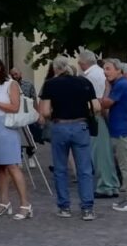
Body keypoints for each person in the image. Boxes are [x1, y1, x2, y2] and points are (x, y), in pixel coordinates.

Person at [38, 56, 98, 219]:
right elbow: (97, 107)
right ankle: (87, 208)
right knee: (84, 169)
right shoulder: (84, 82)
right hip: (81, 126)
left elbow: (44, 111)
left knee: (60, 168)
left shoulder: (50, 84)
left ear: (56, 68)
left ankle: (64, 207)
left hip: (60, 126)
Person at [0, 56, 32, 220]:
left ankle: (25, 204)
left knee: (12, 165)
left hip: (7, 127)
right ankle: (4, 202)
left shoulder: (12, 84)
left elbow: (14, 106)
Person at [103, 59, 127, 213]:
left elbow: (106, 103)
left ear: (118, 70)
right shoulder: (122, 84)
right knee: (124, 165)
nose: (105, 72)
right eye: (104, 69)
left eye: (108, 69)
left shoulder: (121, 85)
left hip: (122, 130)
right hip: (122, 129)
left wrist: (106, 88)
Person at [78, 50, 118, 199]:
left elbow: (97, 99)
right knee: (105, 153)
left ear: (82, 63)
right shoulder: (99, 73)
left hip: (95, 115)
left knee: (99, 154)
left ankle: (105, 186)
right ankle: (111, 184)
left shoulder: (90, 76)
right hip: (101, 114)